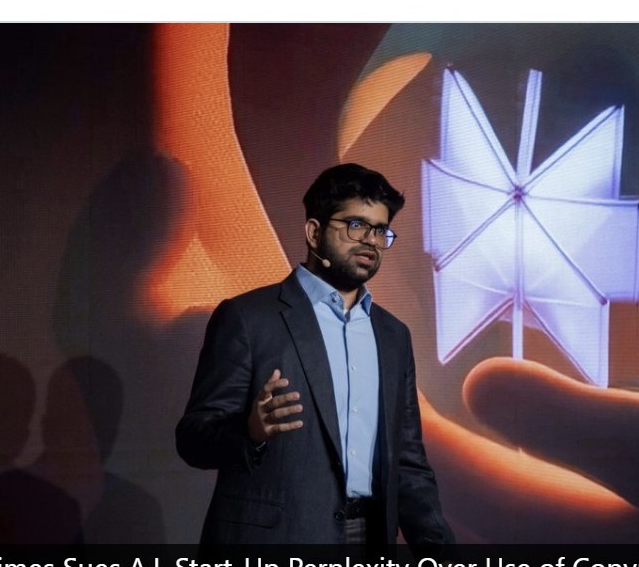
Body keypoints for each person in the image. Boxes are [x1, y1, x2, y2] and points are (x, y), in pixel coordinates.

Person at [176, 163, 454, 547]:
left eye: (380, 230)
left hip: (367, 539)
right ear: (313, 232)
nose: (371, 241)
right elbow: (193, 439)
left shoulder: (393, 336)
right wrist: (250, 432)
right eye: (356, 225)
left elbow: (407, 462)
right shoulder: (247, 318)